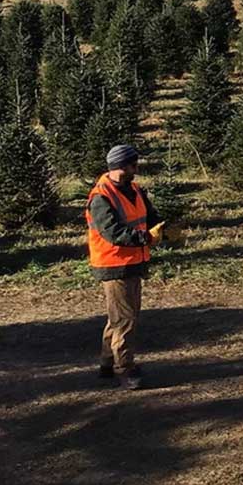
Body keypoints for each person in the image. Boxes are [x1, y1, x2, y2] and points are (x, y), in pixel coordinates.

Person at [86, 144, 164, 391]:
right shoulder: (100, 197)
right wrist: (146, 238)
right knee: (125, 320)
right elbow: (113, 233)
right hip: (114, 264)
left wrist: (164, 227)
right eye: (134, 165)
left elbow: (150, 216)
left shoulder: (134, 189)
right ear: (123, 167)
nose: (137, 169)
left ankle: (107, 363)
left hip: (133, 262)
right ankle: (125, 370)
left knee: (119, 317)